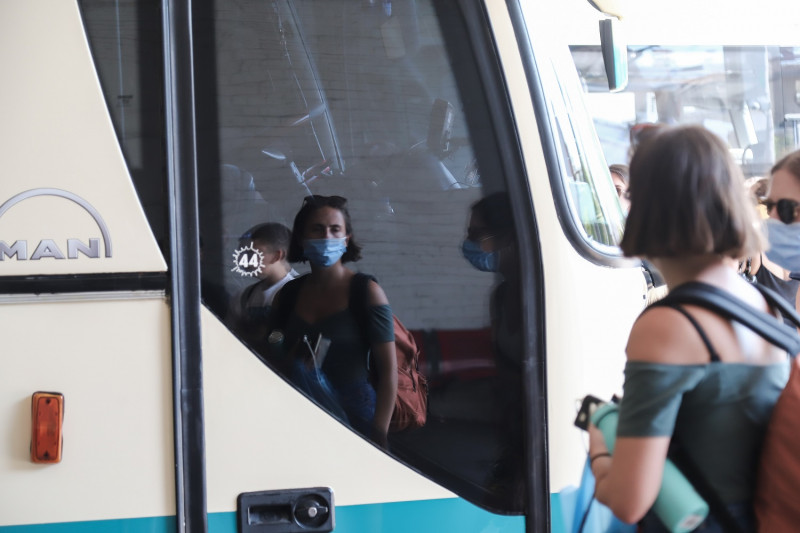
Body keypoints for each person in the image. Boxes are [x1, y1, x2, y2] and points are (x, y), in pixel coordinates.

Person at [587, 125, 791, 532]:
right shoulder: (766, 305)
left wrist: (599, 447)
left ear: (650, 207)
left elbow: (629, 501)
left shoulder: (669, 326)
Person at [269, 195, 397, 446]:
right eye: (317, 229)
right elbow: (274, 338)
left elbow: (389, 372)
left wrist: (379, 435)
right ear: (301, 238)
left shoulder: (366, 292)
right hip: (297, 414)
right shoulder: (288, 294)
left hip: (356, 420)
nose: (327, 237)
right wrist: (284, 351)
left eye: (335, 229)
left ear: (346, 239)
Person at [462, 192, 525, 505]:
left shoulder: (539, 294)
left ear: (508, 237)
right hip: (512, 423)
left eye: (479, 234)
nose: (469, 243)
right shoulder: (501, 295)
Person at [226, 222, 296, 340]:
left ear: (277, 256)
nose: (247, 261)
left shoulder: (301, 295)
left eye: (254, 254)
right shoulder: (244, 297)